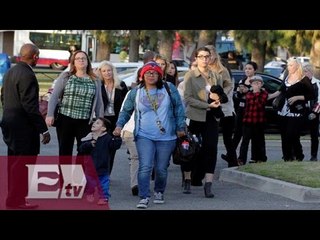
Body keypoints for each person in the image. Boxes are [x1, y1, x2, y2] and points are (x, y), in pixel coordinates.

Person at [113, 61, 186, 209]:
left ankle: (159, 191)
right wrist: (119, 126)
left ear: (160, 75)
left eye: (154, 73)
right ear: (142, 75)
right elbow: (126, 110)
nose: (151, 75)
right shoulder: (136, 92)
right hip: (144, 135)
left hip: (167, 136)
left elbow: (179, 108)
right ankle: (144, 196)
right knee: (145, 166)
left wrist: (180, 127)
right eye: (148, 73)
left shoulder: (169, 88)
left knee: (161, 168)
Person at [0, 43, 51, 209]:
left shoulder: (10, 72)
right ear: (35, 56)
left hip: (9, 123)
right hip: (23, 128)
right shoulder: (27, 75)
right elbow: (30, 106)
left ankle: (12, 199)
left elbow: (3, 97)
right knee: (23, 165)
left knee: (14, 164)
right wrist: (43, 129)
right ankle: (17, 201)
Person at [183, 46, 225, 198]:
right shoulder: (190, 76)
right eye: (201, 56)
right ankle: (187, 179)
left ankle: (208, 184)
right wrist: (206, 105)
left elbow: (221, 94)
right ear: (196, 58)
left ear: (211, 58)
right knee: (190, 149)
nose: (205, 59)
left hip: (211, 117)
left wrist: (218, 100)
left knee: (211, 149)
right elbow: (187, 98)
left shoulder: (216, 75)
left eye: (207, 56)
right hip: (195, 116)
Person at [46, 50, 104, 156]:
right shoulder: (66, 77)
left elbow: (99, 101)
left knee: (84, 151)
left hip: (85, 121)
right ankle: (64, 173)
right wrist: (49, 115)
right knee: (65, 152)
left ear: (87, 62)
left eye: (84, 58)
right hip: (65, 119)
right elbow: (54, 97)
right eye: (78, 58)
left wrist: (100, 120)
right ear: (73, 62)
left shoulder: (95, 80)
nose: (81, 60)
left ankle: (79, 173)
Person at [269, 57, 314, 161]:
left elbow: (311, 95)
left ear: (297, 66)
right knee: (284, 136)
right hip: (283, 111)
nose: (289, 67)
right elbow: (280, 91)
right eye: (288, 65)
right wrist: (268, 96)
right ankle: (287, 157)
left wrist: (297, 97)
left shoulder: (304, 79)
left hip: (296, 112)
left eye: (291, 65)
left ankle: (299, 155)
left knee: (292, 135)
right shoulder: (287, 77)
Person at [78, 117, 122, 205]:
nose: (94, 124)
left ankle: (104, 197)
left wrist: (117, 137)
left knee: (104, 184)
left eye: (98, 123)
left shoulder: (107, 138)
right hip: (90, 168)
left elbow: (115, 146)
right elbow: (81, 149)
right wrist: (89, 144)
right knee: (90, 184)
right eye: (94, 122)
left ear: (103, 128)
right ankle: (90, 193)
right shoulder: (89, 137)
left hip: (103, 167)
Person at [97, 61, 128, 174]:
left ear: (113, 71)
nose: (107, 73)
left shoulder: (121, 85)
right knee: (101, 147)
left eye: (109, 70)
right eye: (104, 71)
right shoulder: (98, 85)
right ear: (100, 72)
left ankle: (107, 173)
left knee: (112, 147)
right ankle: (100, 171)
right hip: (102, 119)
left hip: (116, 120)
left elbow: (126, 103)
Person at [237, 75, 268, 165]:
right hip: (248, 120)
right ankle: (241, 159)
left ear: (262, 84)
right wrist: (254, 92)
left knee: (258, 141)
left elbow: (259, 103)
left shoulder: (264, 93)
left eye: (258, 83)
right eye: (254, 83)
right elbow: (250, 101)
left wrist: (257, 92)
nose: (256, 85)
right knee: (245, 141)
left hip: (259, 120)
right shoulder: (249, 94)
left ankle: (259, 157)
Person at [302, 63, 320, 161]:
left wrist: (314, 112)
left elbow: (319, 100)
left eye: (306, 71)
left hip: (314, 112)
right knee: (296, 132)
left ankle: (314, 156)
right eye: (303, 71)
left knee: (314, 135)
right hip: (303, 112)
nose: (304, 73)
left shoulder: (317, 83)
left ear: (311, 72)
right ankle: (296, 154)